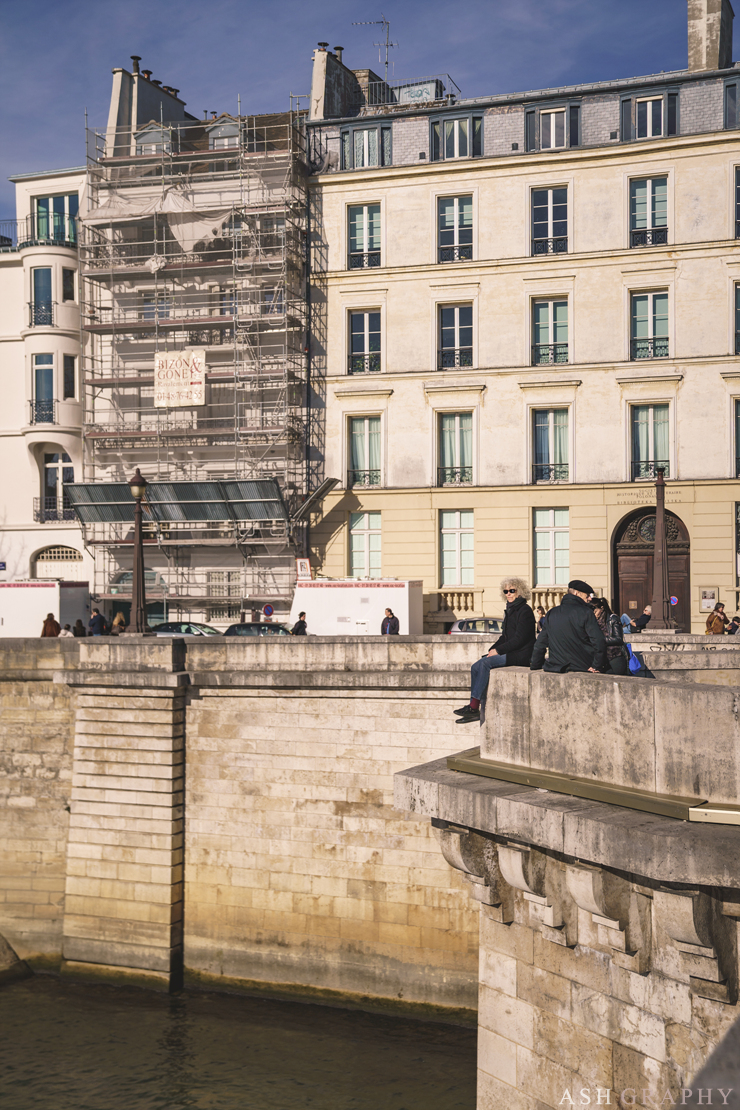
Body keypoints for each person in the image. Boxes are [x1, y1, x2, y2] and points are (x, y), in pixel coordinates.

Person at [455, 578, 536, 724]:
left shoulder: (525, 611)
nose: (509, 594)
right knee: (476, 665)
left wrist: (498, 650)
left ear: (520, 591)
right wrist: (492, 649)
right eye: (506, 591)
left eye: (512, 591)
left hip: (522, 654)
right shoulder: (510, 610)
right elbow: (505, 636)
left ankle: (474, 707)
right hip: (512, 651)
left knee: (485, 664)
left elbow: (520, 639)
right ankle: (472, 708)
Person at [530, 580, 607, 674]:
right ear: (576, 593)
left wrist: (535, 665)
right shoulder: (586, 613)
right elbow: (599, 642)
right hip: (583, 668)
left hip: (557, 668)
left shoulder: (552, 613)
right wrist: (597, 666)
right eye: (587, 595)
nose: (590, 599)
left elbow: (540, 643)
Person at [590, 597, 628, 676]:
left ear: (602, 608)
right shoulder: (593, 621)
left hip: (615, 655)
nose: (594, 614)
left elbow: (618, 638)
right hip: (601, 657)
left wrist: (601, 640)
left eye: (596, 611)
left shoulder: (612, 619)